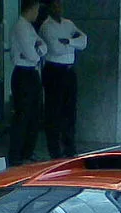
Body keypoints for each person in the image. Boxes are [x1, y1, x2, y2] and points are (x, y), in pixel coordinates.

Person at [39, 0, 87, 159]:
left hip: (69, 70)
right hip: (54, 70)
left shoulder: (69, 24)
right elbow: (56, 49)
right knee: (54, 111)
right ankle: (54, 149)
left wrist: (69, 41)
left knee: (70, 109)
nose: (58, 8)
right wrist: (72, 43)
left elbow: (84, 41)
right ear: (49, 8)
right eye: (54, 6)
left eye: (59, 5)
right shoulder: (46, 26)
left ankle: (69, 146)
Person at [8, 0, 47, 166]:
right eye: (37, 10)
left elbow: (43, 46)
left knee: (34, 114)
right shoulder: (21, 27)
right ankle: (16, 154)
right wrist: (37, 50)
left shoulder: (29, 27)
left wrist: (38, 49)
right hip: (23, 73)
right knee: (22, 115)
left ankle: (27, 151)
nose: (37, 14)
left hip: (32, 72)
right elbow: (34, 54)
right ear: (30, 9)